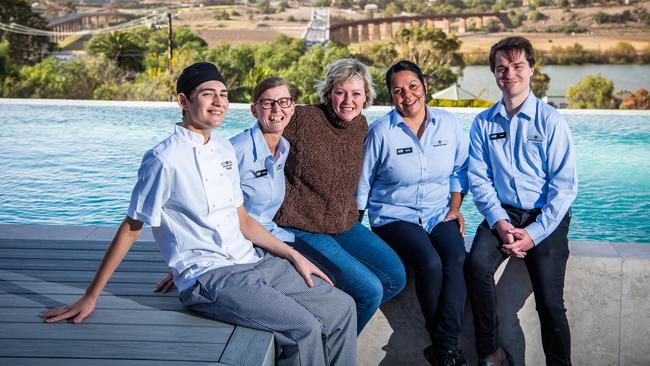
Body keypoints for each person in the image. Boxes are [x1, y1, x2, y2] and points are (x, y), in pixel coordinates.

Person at [39, 62, 357, 366]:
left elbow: (242, 220)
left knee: (342, 307)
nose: (219, 102)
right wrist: (91, 295)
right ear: (183, 100)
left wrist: (293, 256)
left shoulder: (223, 149)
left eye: (223, 94)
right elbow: (132, 226)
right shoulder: (163, 159)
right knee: (304, 329)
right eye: (208, 94)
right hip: (211, 276)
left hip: (253, 260)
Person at [154, 76, 344, 292]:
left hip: (273, 234)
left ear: (292, 109)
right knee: (329, 282)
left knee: (334, 276)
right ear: (254, 110)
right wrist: (183, 267)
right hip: (244, 242)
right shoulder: (235, 151)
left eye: (284, 102)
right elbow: (203, 206)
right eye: (267, 103)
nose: (276, 109)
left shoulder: (284, 147)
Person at [465, 36, 578, 366]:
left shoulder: (551, 122)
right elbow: (479, 179)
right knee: (476, 266)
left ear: (531, 69)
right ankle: (491, 352)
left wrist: (534, 234)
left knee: (550, 303)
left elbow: (565, 187)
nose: (509, 73)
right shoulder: (483, 124)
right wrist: (500, 223)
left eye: (516, 66)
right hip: (503, 213)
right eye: (501, 67)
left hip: (545, 216)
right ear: (494, 74)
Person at [274, 58, 407, 333]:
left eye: (356, 93)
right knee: (369, 291)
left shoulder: (361, 126)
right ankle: (330, 354)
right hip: (301, 227)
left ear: (366, 96)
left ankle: (329, 334)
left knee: (395, 277)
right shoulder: (301, 119)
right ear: (328, 93)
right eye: (340, 92)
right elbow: (252, 144)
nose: (348, 101)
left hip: (343, 225)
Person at [355, 60, 469, 366]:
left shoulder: (448, 124)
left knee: (457, 257)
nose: (408, 95)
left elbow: (459, 171)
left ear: (425, 86)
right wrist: (354, 229)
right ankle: (445, 347)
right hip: (394, 216)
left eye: (413, 86)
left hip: (437, 213)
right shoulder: (381, 132)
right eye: (398, 91)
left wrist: (455, 208)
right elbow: (363, 184)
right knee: (430, 263)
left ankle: (444, 347)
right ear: (392, 97)